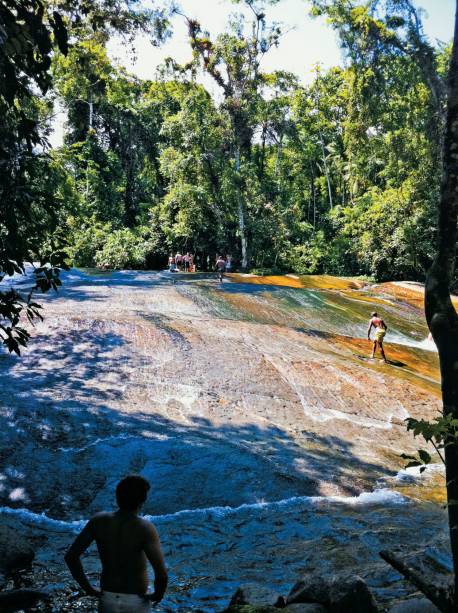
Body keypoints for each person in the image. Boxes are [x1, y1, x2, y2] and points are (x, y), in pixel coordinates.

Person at [65, 475, 168, 613]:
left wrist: (88, 588)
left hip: (107, 598)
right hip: (136, 601)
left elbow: (71, 557)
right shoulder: (145, 528)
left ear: (117, 497)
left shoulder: (98, 521)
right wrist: (157, 595)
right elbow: (161, 575)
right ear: (142, 500)